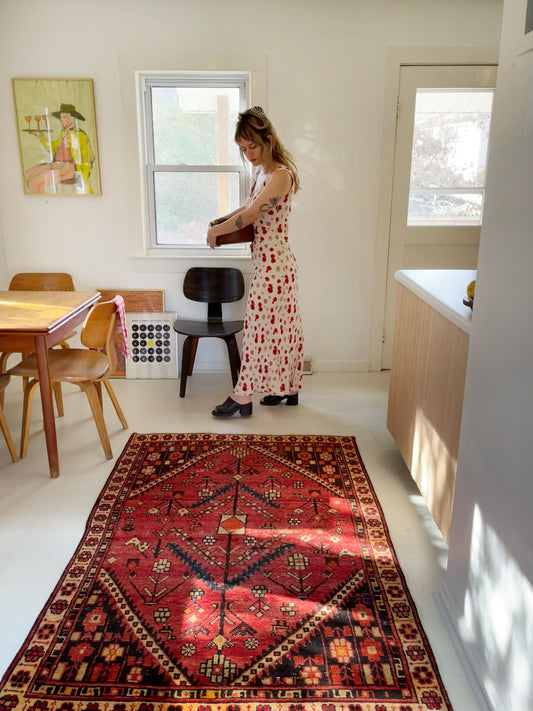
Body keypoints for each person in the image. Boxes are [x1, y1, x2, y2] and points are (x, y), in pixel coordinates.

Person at [207, 106, 303, 418]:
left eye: (253, 146)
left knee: (259, 330)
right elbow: (247, 207)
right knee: (278, 329)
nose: (248, 154)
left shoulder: (281, 176)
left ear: (268, 140)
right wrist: (220, 221)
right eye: (243, 149)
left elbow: (251, 215)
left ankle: (242, 395)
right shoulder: (261, 173)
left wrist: (216, 233)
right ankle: (285, 388)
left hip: (277, 268)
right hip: (269, 265)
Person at [24, 103, 95, 194]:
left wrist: (82, 177)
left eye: (64, 117)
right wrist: (40, 136)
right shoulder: (63, 133)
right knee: (29, 173)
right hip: (56, 164)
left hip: (69, 168)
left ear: (72, 118)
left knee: (37, 182)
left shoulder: (80, 135)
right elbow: (52, 147)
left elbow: (87, 158)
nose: (61, 120)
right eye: (61, 118)